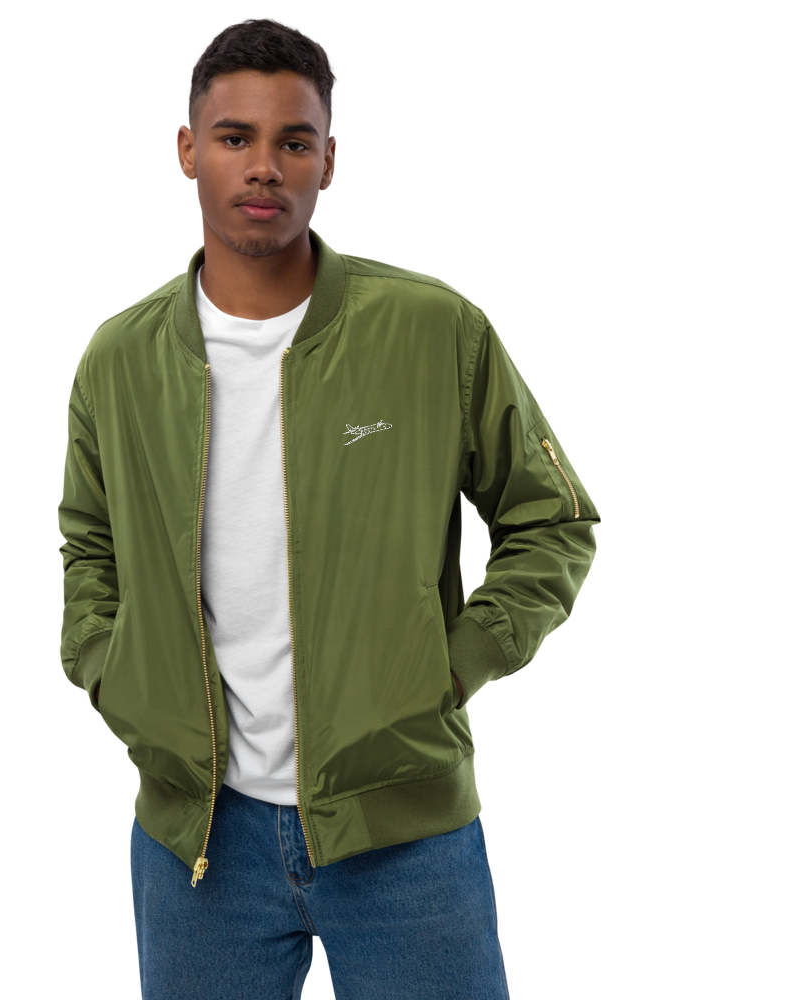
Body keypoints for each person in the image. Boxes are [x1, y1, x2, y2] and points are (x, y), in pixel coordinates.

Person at [58, 16, 600, 999]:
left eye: (294, 141)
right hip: (196, 841)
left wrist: (453, 665)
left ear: (330, 161)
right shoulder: (119, 358)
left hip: (406, 832)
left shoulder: (433, 327)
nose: (264, 166)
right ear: (187, 150)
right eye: (235, 137)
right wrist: (107, 670)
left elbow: (553, 519)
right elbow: (85, 542)